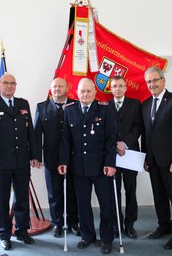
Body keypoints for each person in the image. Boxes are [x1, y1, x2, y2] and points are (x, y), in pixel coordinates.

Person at [0, 73, 38, 251]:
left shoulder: (23, 104)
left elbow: (31, 134)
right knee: (3, 200)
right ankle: (4, 234)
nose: (10, 86)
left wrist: (35, 155)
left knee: (21, 198)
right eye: (6, 83)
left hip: (21, 161)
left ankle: (22, 230)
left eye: (13, 83)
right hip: (0, 163)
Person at [58, 78, 117, 254]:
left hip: (101, 167)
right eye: (82, 91)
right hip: (79, 167)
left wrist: (110, 163)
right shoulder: (70, 111)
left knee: (106, 205)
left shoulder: (104, 110)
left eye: (89, 91)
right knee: (82, 204)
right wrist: (63, 161)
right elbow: (66, 140)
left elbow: (111, 139)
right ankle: (87, 235)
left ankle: (107, 239)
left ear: (94, 93)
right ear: (77, 93)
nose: (85, 94)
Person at [141, 66, 172, 250]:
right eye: (148, 82)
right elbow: (146, 134)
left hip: (171, 162)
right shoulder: (145, 105)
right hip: (153, 161)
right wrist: (145, 157)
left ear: (163, 81)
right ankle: (164, 225)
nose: (152, 84)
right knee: (159, 196)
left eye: (155, 80)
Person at [34, 78, 80, 238]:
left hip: (73, 157)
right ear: (50, 89)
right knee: (54, 194)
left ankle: (74, 222)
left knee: (73, 192)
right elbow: (36, 134)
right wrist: (36, 156)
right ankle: (58, 224)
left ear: (67, 88)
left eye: (61, 86)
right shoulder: (42, 107)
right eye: (54, 86)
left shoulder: (76, 105)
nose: (57, 89)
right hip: (51, 157)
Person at [108, 75, 143, 239]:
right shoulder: (105, 105)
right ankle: (116, 225)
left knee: (131, 191)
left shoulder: (135, 105)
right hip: (112, 154)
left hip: (130, 154)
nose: (117, 89)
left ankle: (130, 225)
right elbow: (104, 129)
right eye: (114, 86)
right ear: (110, 88)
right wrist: (116, 144)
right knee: (114, 192)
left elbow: (138, 127)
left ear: (126, 87)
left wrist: (125, 143)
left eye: (120, 86)